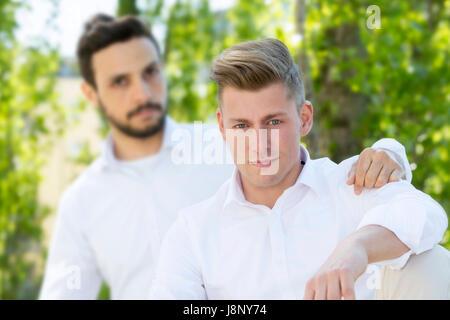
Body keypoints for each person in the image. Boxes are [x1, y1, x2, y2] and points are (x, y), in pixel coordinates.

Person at [40, 15, 411, 299]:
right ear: (90, 92)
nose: (142, 93)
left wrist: (391, 153)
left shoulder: (222, 142)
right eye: (120, 81)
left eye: (150, 72)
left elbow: (290, 142)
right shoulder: (80, 202)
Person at [149, 38, 449, 300]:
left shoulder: (349, 185)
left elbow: (426, 214)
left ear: (304, 118)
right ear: (222, 127)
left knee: (431, 263)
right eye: (242, 126)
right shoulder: (193, 231)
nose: (259, 144)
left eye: (273, 122)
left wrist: (357, 248)